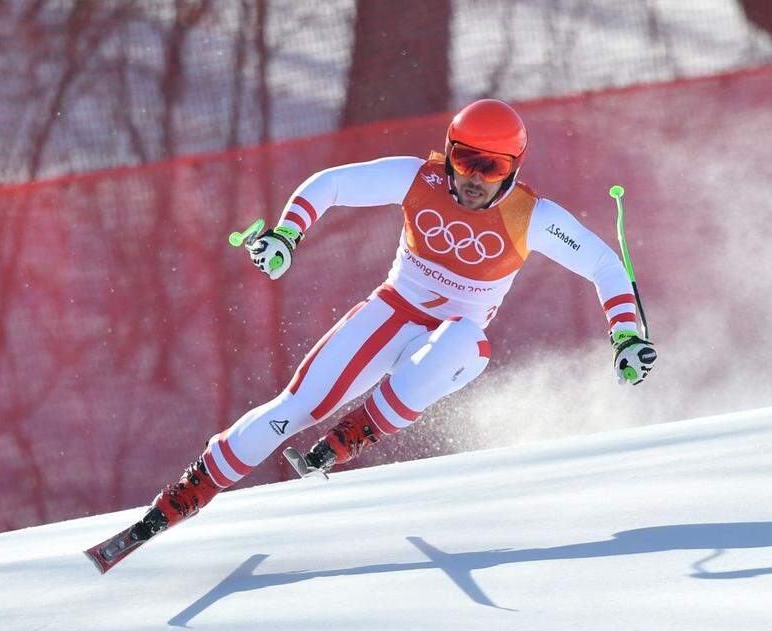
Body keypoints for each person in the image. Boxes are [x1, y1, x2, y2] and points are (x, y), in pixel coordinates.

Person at [143, 99, 657, 537]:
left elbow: (604, 266)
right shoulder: (419, 178)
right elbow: (328, 186)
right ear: (450, 151)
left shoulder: (531, 216)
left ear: (515, 168)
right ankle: (188, 492)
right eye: (465, 159)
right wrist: (286, 234)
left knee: (463, 339)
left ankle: (357, 432)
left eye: (492, 167)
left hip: (453, 344)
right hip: (391, 313)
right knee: (293, 408)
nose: (474, 177)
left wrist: (627, 336)